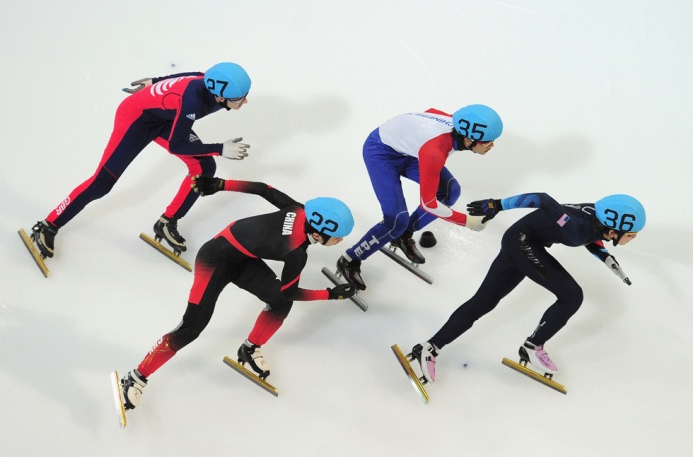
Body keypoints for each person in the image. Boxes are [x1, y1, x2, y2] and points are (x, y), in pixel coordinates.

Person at [118, 176, 356, 411]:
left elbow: (263, 189)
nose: (340, 241)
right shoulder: (296, 253)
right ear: (318, 235)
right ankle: (136, 377)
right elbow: (291, 292)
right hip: (214, 259)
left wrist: (221, 184)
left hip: (243, 259)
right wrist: (331, 294)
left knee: (279, 302)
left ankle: (249, 349)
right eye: (338, 237)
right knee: (192, 327)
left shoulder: (299, 210)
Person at [411, 192, 646, 382]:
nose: (633, 239)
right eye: (632, 235)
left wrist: (606, 258)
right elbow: (543, 199)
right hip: (522, 242)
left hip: (521, 240)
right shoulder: (575, 227)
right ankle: (533, 347)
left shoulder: (597, 218)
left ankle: (429, 347)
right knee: (572, 296)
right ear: (613, 231)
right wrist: (497, 205)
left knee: (483, 302)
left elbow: (592, 236)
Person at [29, 62, 252, 259]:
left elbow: (193, 74)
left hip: (166, 116)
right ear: (220, 97)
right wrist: (220, 149)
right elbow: (177, 145)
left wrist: (155, 81)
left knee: (204, 166)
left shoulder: (209, 81)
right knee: (102, 182)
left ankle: (167, 222)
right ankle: (48, 225)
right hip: (136, 118)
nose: (245, 101)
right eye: (239, 99)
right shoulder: (193, 102)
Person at [336, 104, 504, 290]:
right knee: (395, 221)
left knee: (450, 191)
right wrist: (467, 221)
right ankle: (350, 259)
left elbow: (431, 111)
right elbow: (429, 204)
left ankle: (403, 235)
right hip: (380, 153)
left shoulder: (454, 123)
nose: (491, 146)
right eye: (487, 142)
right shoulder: (434, 151)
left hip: (408, 151)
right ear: (468, 139)